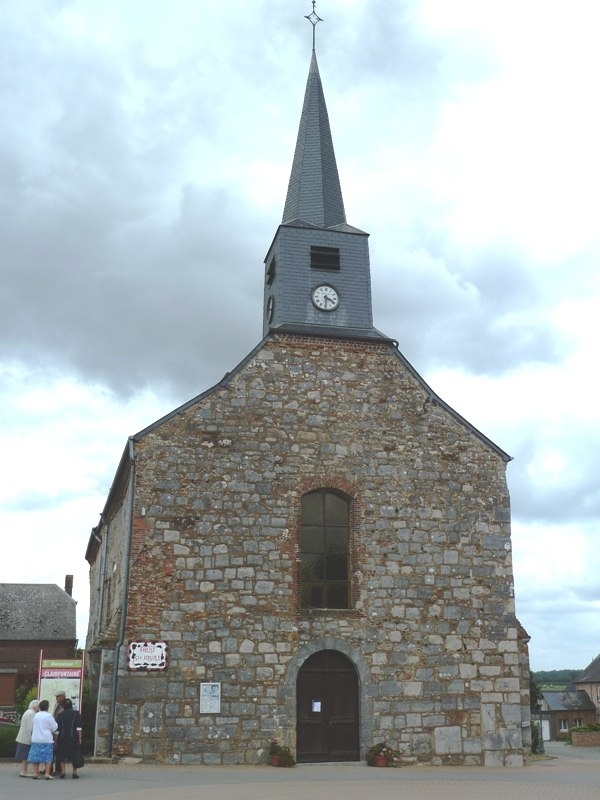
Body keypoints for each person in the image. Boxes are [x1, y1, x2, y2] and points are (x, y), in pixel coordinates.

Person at [28, 699, 58, 780]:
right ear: (47, 707)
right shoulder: (49, 716)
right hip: (46, 739)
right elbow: (54, 728)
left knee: (36, 756)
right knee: (48, 757)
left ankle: (35, 773)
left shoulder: (36, 715)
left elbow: (32, 726)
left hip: (36, 738)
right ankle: (47, 774)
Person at [56, 698, 83, 779]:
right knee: (74, 753)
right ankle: (74, 772)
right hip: (73, 736)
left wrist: (55, 739)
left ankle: (63, 771)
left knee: (61, 753)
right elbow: (78, 727)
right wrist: (80, 737)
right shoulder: (76, 714)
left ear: (63, 706)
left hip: (62, 736)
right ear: (71, 705)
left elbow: (58, 729)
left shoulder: (60, 715)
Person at [14, 699, 40, 777]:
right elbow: (31, 727)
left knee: (25, 756)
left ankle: (23, 771)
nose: (39, 708)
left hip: (23, 737)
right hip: (26, 738)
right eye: (38, 706)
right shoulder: (31, 714)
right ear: (34, 706)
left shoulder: (28, 712)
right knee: (25, 756)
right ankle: (23, 771)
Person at [51, 690, 66, 774]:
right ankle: (50, 768)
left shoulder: (66, 705)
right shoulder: (56, 705)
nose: (56, 698)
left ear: (62, 697)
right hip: (55, 729)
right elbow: (54, 715)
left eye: (58, 697)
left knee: (59, 749)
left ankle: (59, 769)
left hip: (62, 730)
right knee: (53, 749)